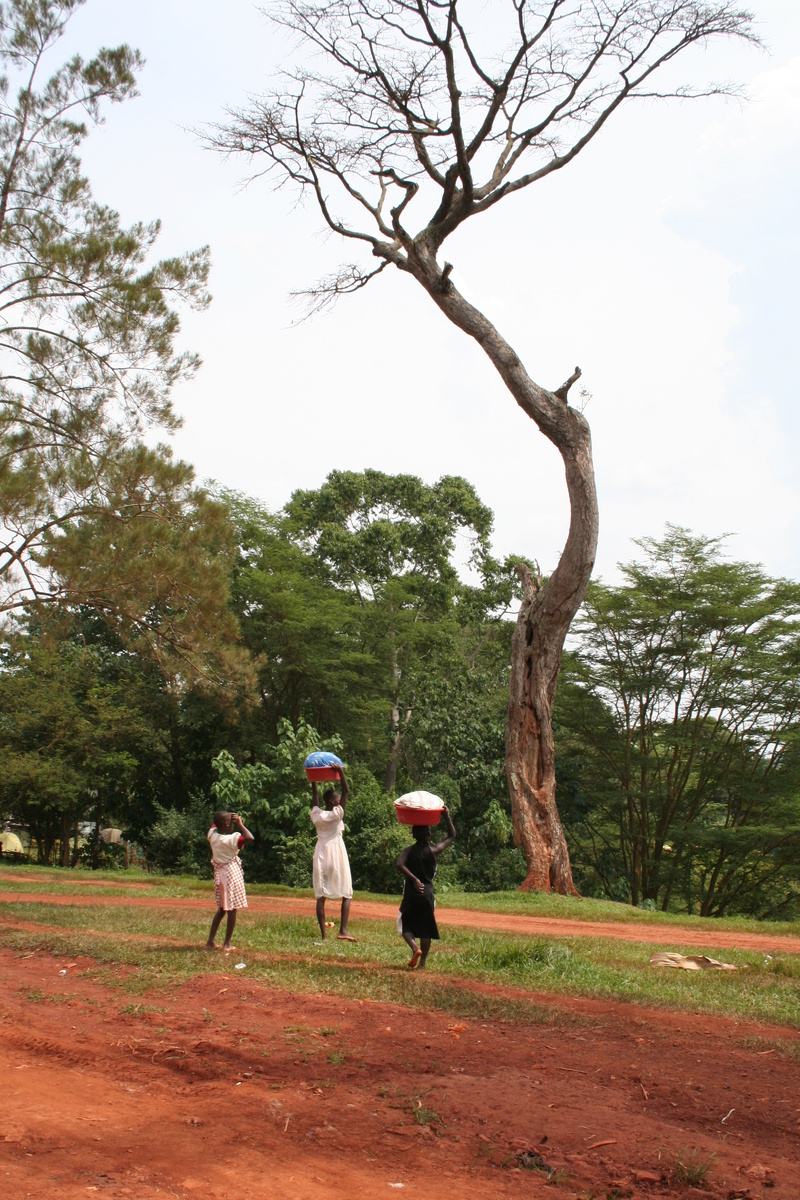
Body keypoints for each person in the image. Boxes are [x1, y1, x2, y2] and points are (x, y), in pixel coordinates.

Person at [396, 805, 456, 969]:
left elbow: (399, 864)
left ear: (413, 835)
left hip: (411, 892)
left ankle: (415, 948)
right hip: (427, 892)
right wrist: (446, 816)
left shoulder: (408, 851)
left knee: (405, 924)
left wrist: (414, 879)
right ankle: (422, 963)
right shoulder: (434, 850)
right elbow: (452, 836)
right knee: (426, 927)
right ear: (428, 835)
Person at [310, 765, 355, 942]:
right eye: (337, 799)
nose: (340, 800)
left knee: (321, 895)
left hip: (321, 851)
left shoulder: (317, 815)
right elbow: (346, 791)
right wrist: (341, 771)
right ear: (332, 802)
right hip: (337, 851)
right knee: (347, 892)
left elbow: (315, 798)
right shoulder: (337, 815)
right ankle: (343, 930)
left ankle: (324, 935)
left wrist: (313, 778)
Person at [206, 810, 254, 952]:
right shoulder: (231, 839)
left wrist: (226, 818)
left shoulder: (212, 836)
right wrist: (240, 824)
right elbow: (250, 837)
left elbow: (215, 823)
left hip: (219, 874)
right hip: (230, 873)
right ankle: (227, 944)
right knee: (232, 909)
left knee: (222, 909)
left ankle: (210, 941)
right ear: (227, 823)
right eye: (230, 821)